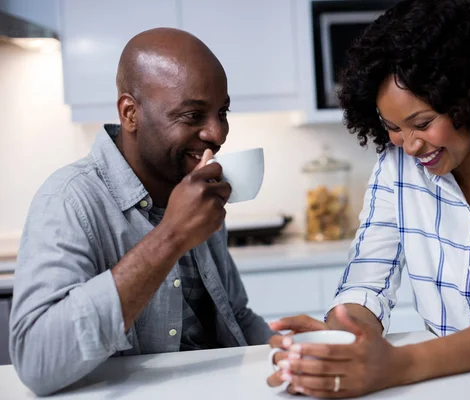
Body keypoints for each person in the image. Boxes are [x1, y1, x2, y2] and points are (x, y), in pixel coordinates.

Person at [267, 0, 470, 398]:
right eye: (392, 127)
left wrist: (397, 365)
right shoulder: (397, 168)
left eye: (422, 123)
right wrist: (340, 343)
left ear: (469, 99)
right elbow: (367, 283)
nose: (409, 145)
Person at [10, 28, 273, 396]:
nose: (217, 132)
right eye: (193, 115)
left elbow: (235, 317)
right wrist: (171, 237)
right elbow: (36, 360)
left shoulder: (195, 187)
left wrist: (294, 348)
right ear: (130, 113)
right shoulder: (70, 200)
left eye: (222, 112)